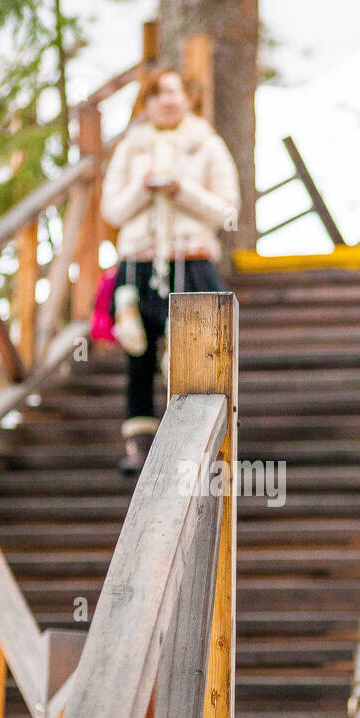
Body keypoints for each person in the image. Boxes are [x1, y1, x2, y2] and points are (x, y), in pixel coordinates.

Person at [100, 67, 240, 475]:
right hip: (139, 265)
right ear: (145, 104)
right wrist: (144, 188)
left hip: (191, 262)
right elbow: (112, 210)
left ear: (189, 99)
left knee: (195, 353)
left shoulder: (207, 145)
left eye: (174, 92)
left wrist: (183, 190)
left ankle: (194, 443)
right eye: (157, 94)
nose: (167, 101)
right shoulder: (131, 148)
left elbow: (228, 213)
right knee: (138, 354)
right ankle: (140, 448)